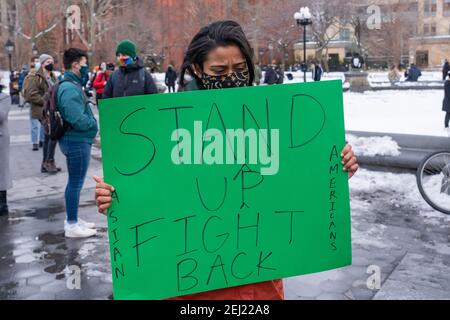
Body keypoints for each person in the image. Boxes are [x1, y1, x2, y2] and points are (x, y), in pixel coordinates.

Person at [94, 20, 359, 300]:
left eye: (239, 70)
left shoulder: (273, 117)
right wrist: (115, 198)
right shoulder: (163, 127)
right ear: (197, 69)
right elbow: (148, 198)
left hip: (258, 286)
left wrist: (333, 167)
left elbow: (295, 183)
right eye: (219, 71)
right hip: (191, 286)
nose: (231, 78)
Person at [57, 48, 98, 238]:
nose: (86, 67)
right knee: (75, 183)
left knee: (75, 182)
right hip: (76, 140)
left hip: (74, 139)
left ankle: (72, 218)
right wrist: (92, 124)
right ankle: (72, 225)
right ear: (75, 64)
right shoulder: (69, 87)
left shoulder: (71, 84)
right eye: (84, 63)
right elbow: (75, 116)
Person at [22, 54, 61, 174]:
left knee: (50, 136)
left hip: (52, 111)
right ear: (43, 63)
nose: (51, 63)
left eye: (52, 61)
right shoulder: (36, 76)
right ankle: (49, 162)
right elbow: (31, 95)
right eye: (48, 61)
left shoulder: (53, 76)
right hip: (42, 111)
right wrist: (46, 102)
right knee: (51, 135)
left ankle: (46, 163)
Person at [0, 84, 12, 216]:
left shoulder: (4, 97)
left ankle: (3, 203)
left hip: (1, 138)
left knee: (1, 170)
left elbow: (1, 116)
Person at [443, 71, 450, 136]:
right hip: (448, 101)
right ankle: (446, 125)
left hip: (447, 101)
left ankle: (446, 125)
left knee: (448, 113)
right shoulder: (448, 84)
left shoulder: (447, 83)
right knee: (448, 113)